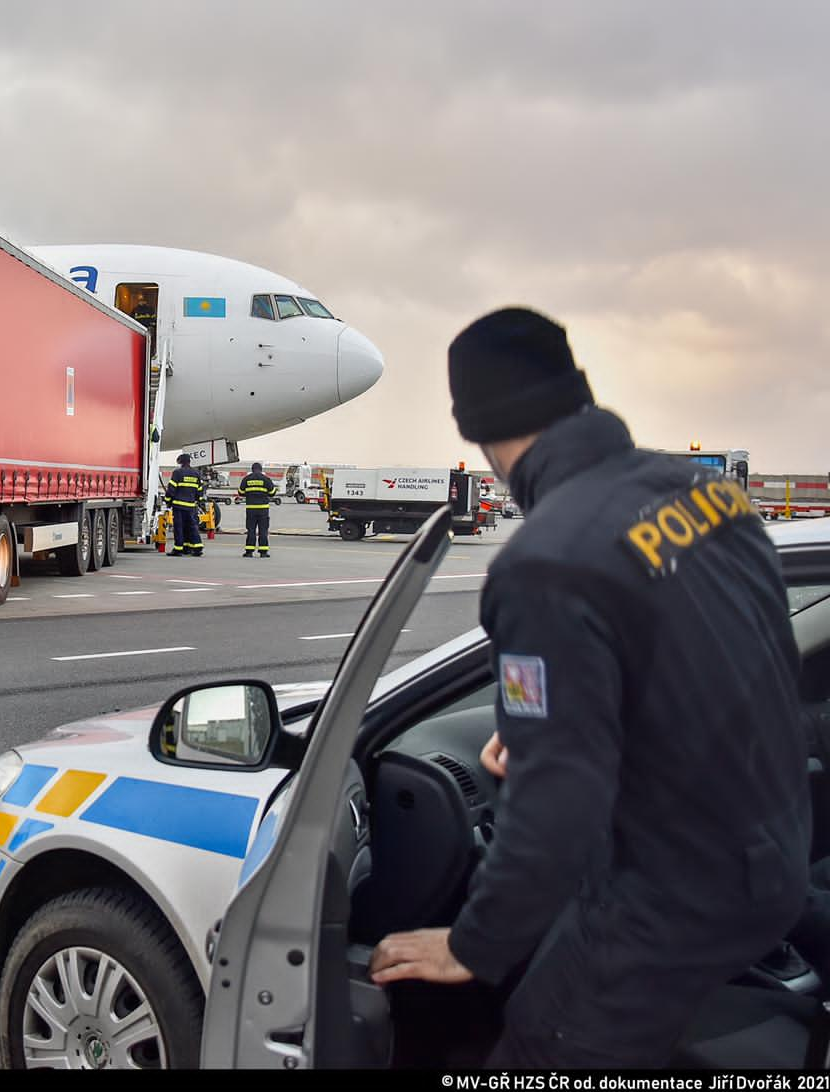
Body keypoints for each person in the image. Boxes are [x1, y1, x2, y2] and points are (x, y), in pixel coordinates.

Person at [368, 307, 810, 1067]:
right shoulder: (708, 496)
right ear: (577, 393)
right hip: (771, 858)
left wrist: (475, 944)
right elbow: (745, 668)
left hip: (666, 897)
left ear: (477, 428)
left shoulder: (546, 560)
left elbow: (556, 805)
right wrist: (569, 732)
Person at [166, 453, 204, 557]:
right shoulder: (196, 473)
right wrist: (197, 500)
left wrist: (168, 501)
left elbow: (171, 489)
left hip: (178, 506)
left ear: (180, 462)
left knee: (179, 527)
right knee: (192, 526)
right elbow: (200, 490)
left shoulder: (178, 473)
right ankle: (196, 547)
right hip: (191, 506)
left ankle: (178, 549)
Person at [238, 462, 275, 557]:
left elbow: (241, 492)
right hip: (263, 509)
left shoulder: (246, 479)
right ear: (261, 469)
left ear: (252, 469)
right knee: (263, 530)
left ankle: (249, 552)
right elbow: (272, 493)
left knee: (251, 530)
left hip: (251, 509)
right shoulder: (266, 479)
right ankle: (263, 552)